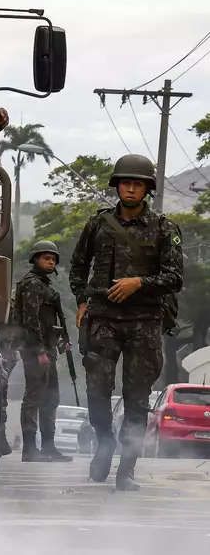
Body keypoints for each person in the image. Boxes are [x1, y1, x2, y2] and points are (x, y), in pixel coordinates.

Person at [69, 153, 184, 491]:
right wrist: (81, 300)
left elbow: (174, 277)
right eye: (125, 182)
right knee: (97, 389)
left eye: (137, 183)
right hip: (103, 317)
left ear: (147, 188)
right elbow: (77, 266)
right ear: (117, 186)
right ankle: (104, 440)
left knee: (137, 398)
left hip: (144, 320)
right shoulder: (98, 223)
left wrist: (139, 283)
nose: (131, 188)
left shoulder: (164, 227)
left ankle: (127, 469)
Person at [16, 241, 73, 463]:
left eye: (53, 259)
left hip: (48, 348)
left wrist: (58, 342)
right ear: (35, 260)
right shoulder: (32, 284)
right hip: (35, 349)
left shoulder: (45, 285)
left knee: (51, 398)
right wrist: (39, 350)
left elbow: (46, 321)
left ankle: (48, 447)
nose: (50, 262)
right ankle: (29, 450)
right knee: (34, 397)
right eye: (45, 258)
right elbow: (31, 320)